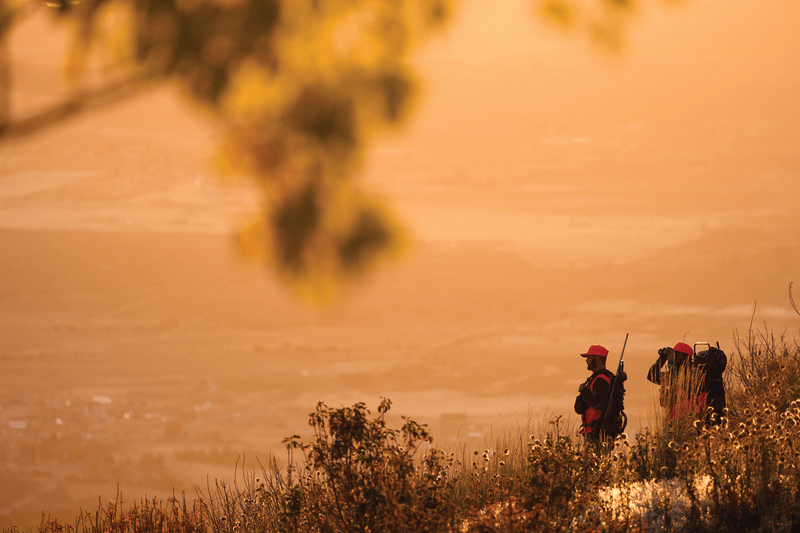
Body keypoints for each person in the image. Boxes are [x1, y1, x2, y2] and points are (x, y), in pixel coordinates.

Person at [647, 342, 704, 422]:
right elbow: (651, 376)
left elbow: (679, 379)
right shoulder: (674, 373)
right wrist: (661, 360)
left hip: (691, 422)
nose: (674, 356)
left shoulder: (695, 372)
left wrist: (671, 364)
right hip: (674, 422)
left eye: (676, 354)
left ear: (686, 357)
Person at [574, 344, 617, 446]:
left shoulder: (601, 380)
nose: (586, 360)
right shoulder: (600, 377)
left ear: (597, 358)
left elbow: (597, 403)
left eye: (589, 357)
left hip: (598, 432)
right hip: (595, 431)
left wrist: (584, 390)